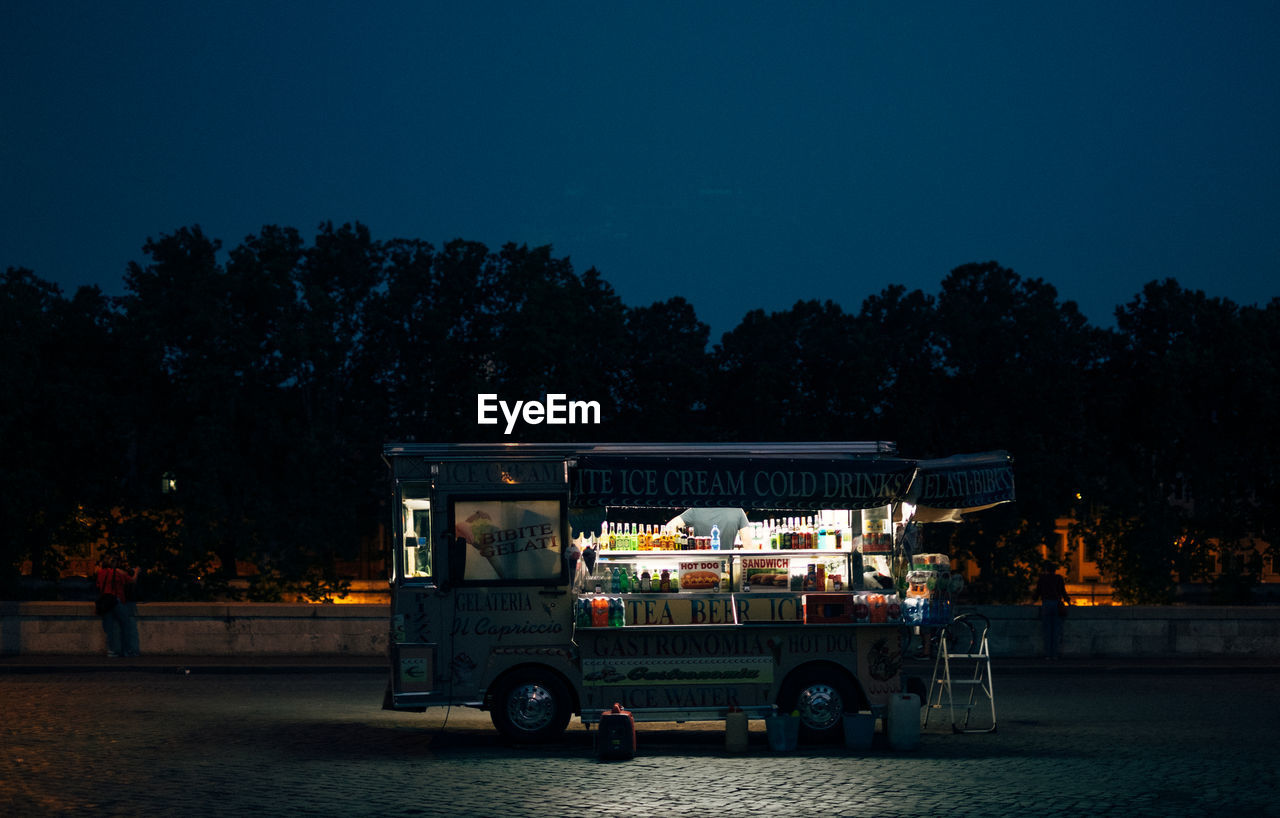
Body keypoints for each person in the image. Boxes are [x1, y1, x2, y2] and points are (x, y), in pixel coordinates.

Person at [95, 556, 140, 657]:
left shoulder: (101, 573)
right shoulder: (119, 572)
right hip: (117, 600)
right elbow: (132, 581)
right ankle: (127, 650)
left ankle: (111, 650)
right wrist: (136, 572)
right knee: (125, 625)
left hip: (105, 601)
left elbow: (98, 586)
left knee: (110, 628)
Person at [665, 507, 754, 549]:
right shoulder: (738, 511)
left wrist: (685, 541)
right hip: (727, 563)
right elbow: (748, 544)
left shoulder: (695, 510)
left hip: (699, 564)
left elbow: (669, 527)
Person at [1035, 562, 1070, 659]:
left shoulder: (1042, 578)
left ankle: (1048, 654)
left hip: (1046, 604)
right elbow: (1063, 591)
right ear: (1055, 570)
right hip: (1056, 604)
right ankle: (1055, 654)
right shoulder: (1059, 578)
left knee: (1047, 631)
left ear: (1046, 569)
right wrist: (1068, 601)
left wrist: (1033, 600)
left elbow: (1038, 592)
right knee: (1056, 631)